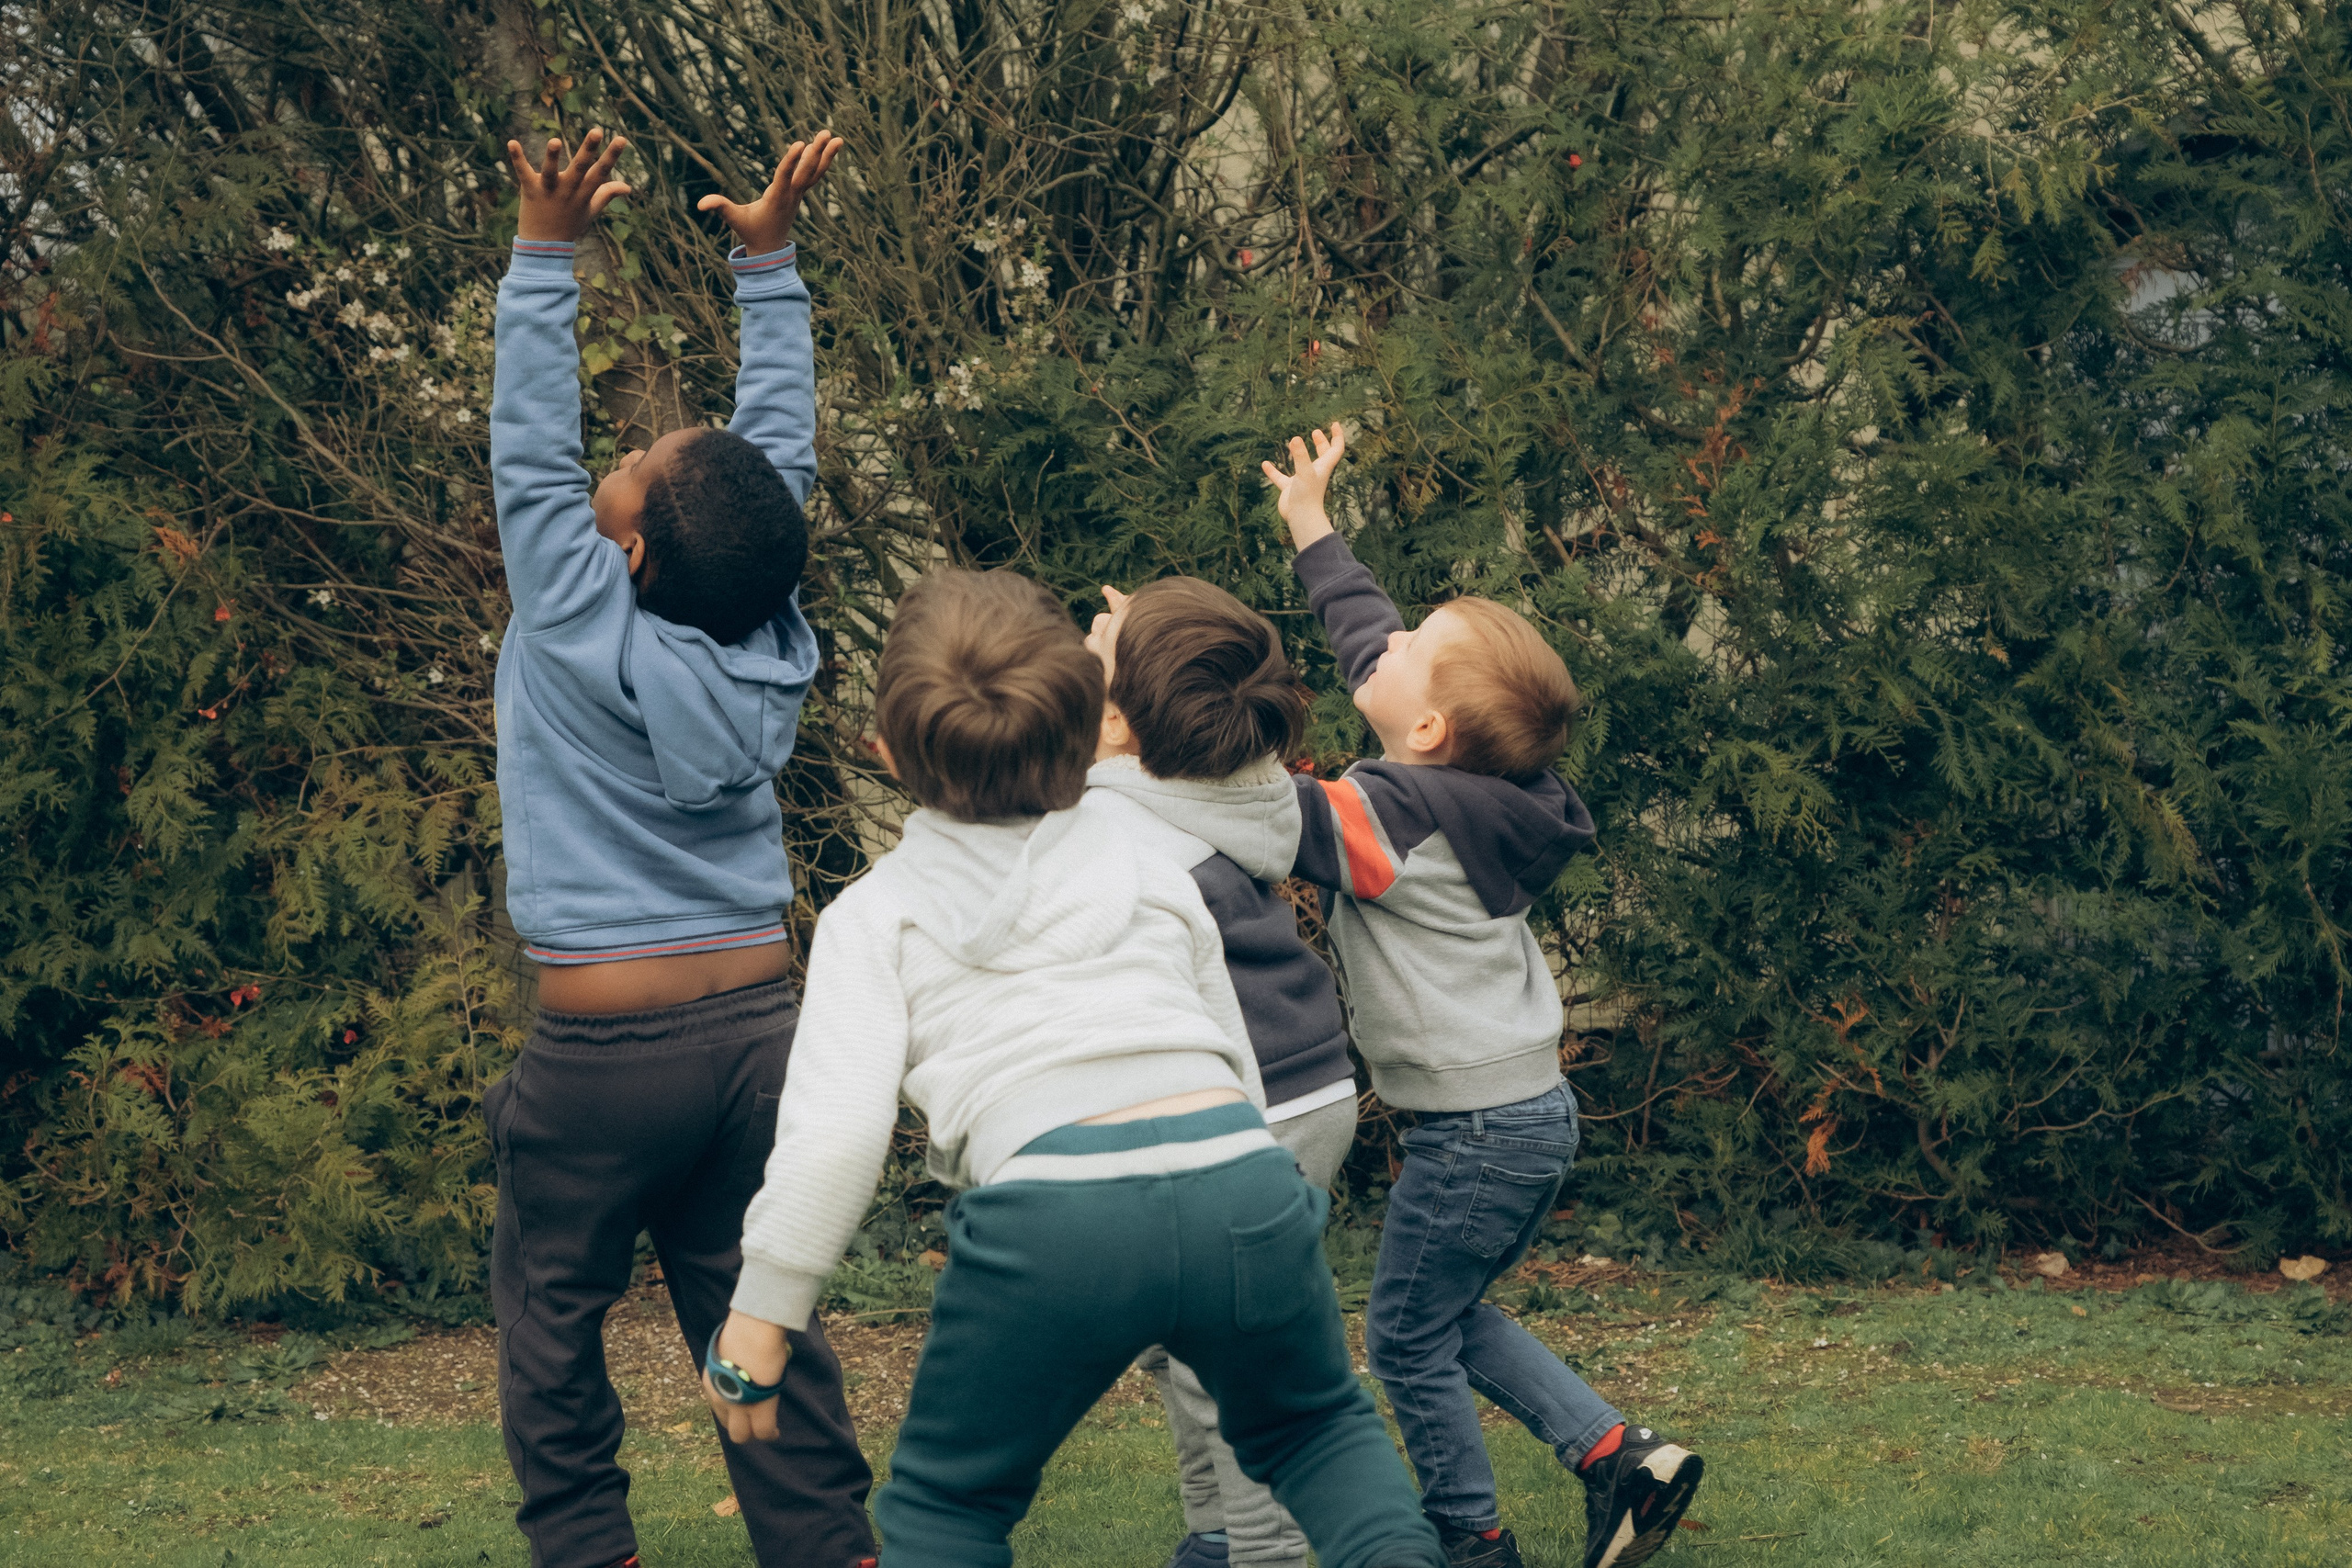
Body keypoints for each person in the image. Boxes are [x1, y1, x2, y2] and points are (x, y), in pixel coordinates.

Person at [699, 569, 1445, 1568]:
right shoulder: (1144, 854)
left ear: (884, 754)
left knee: (948, 1512)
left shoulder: (874, 915)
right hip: (1238, 1180)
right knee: (1315, 1430)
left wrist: (761, 1316)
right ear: (1092, 724)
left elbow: (833, 1134)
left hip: (1050, 1219)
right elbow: (1222, 1040)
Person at [483, 127, 874, 1568]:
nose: (624, 453)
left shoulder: (580, 615)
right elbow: (771, 472)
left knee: (549, 1317)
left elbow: (530, 445)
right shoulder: (764, 627)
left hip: (604, 1061)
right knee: (755, 1307)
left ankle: (588, 1548)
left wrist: (544, 253)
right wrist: (766, 268)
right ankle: (831, 1545)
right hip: (762, 1033)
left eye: (635, 463)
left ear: (633, 546)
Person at [1260, 425, 1705, 1568]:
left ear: (1423, 732)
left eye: (1413, 646)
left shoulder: (1391, 822)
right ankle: (1618, 1455)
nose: (1385, 637)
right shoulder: (1480, 789)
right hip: (1522, 1114)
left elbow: (1263, 817)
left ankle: (1473, 1540)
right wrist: (1312, 524)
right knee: (1441, 1317)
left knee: (1402, 1340)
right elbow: (1368, 637)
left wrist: (1145, 744)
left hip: (1474, 1132)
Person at [1080, 577, 1362, 1568]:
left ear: (1116, 720)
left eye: (1098, 642)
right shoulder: (1237, 781)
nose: (1085, 634)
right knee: (1186, 1342)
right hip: (1306, 1081)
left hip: (1247, 1101)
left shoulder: (1110, 825)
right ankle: (1212, 1536)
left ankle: (1262, 1548)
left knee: (1229, 1369)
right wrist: (1153, 636)